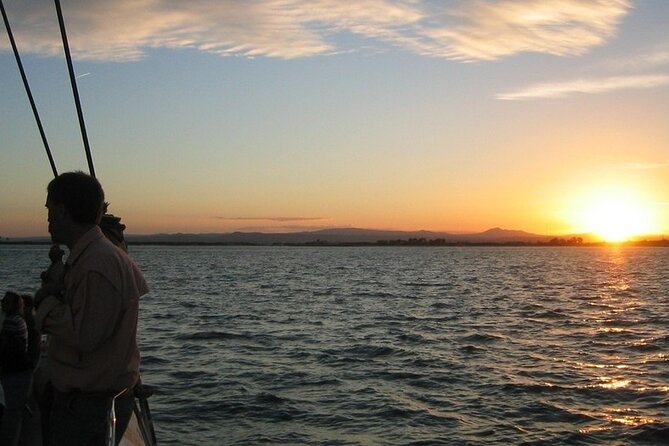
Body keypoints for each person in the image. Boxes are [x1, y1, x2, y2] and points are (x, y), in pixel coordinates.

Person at [34, 171, 148, 446]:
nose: (47, 218)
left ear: (62, 211)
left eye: (49, 209)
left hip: (87, 412)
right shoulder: (96, 258)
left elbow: (85, 336)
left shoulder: (97, 265)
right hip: (85, 406)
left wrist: (44, 304)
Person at [0, 291, 33, 446]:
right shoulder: (20, 320)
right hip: (21, 371)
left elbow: (5, 345)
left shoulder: (10, 322)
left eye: (6, 302)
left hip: (14, 372)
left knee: (11, 413)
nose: (2, 304)